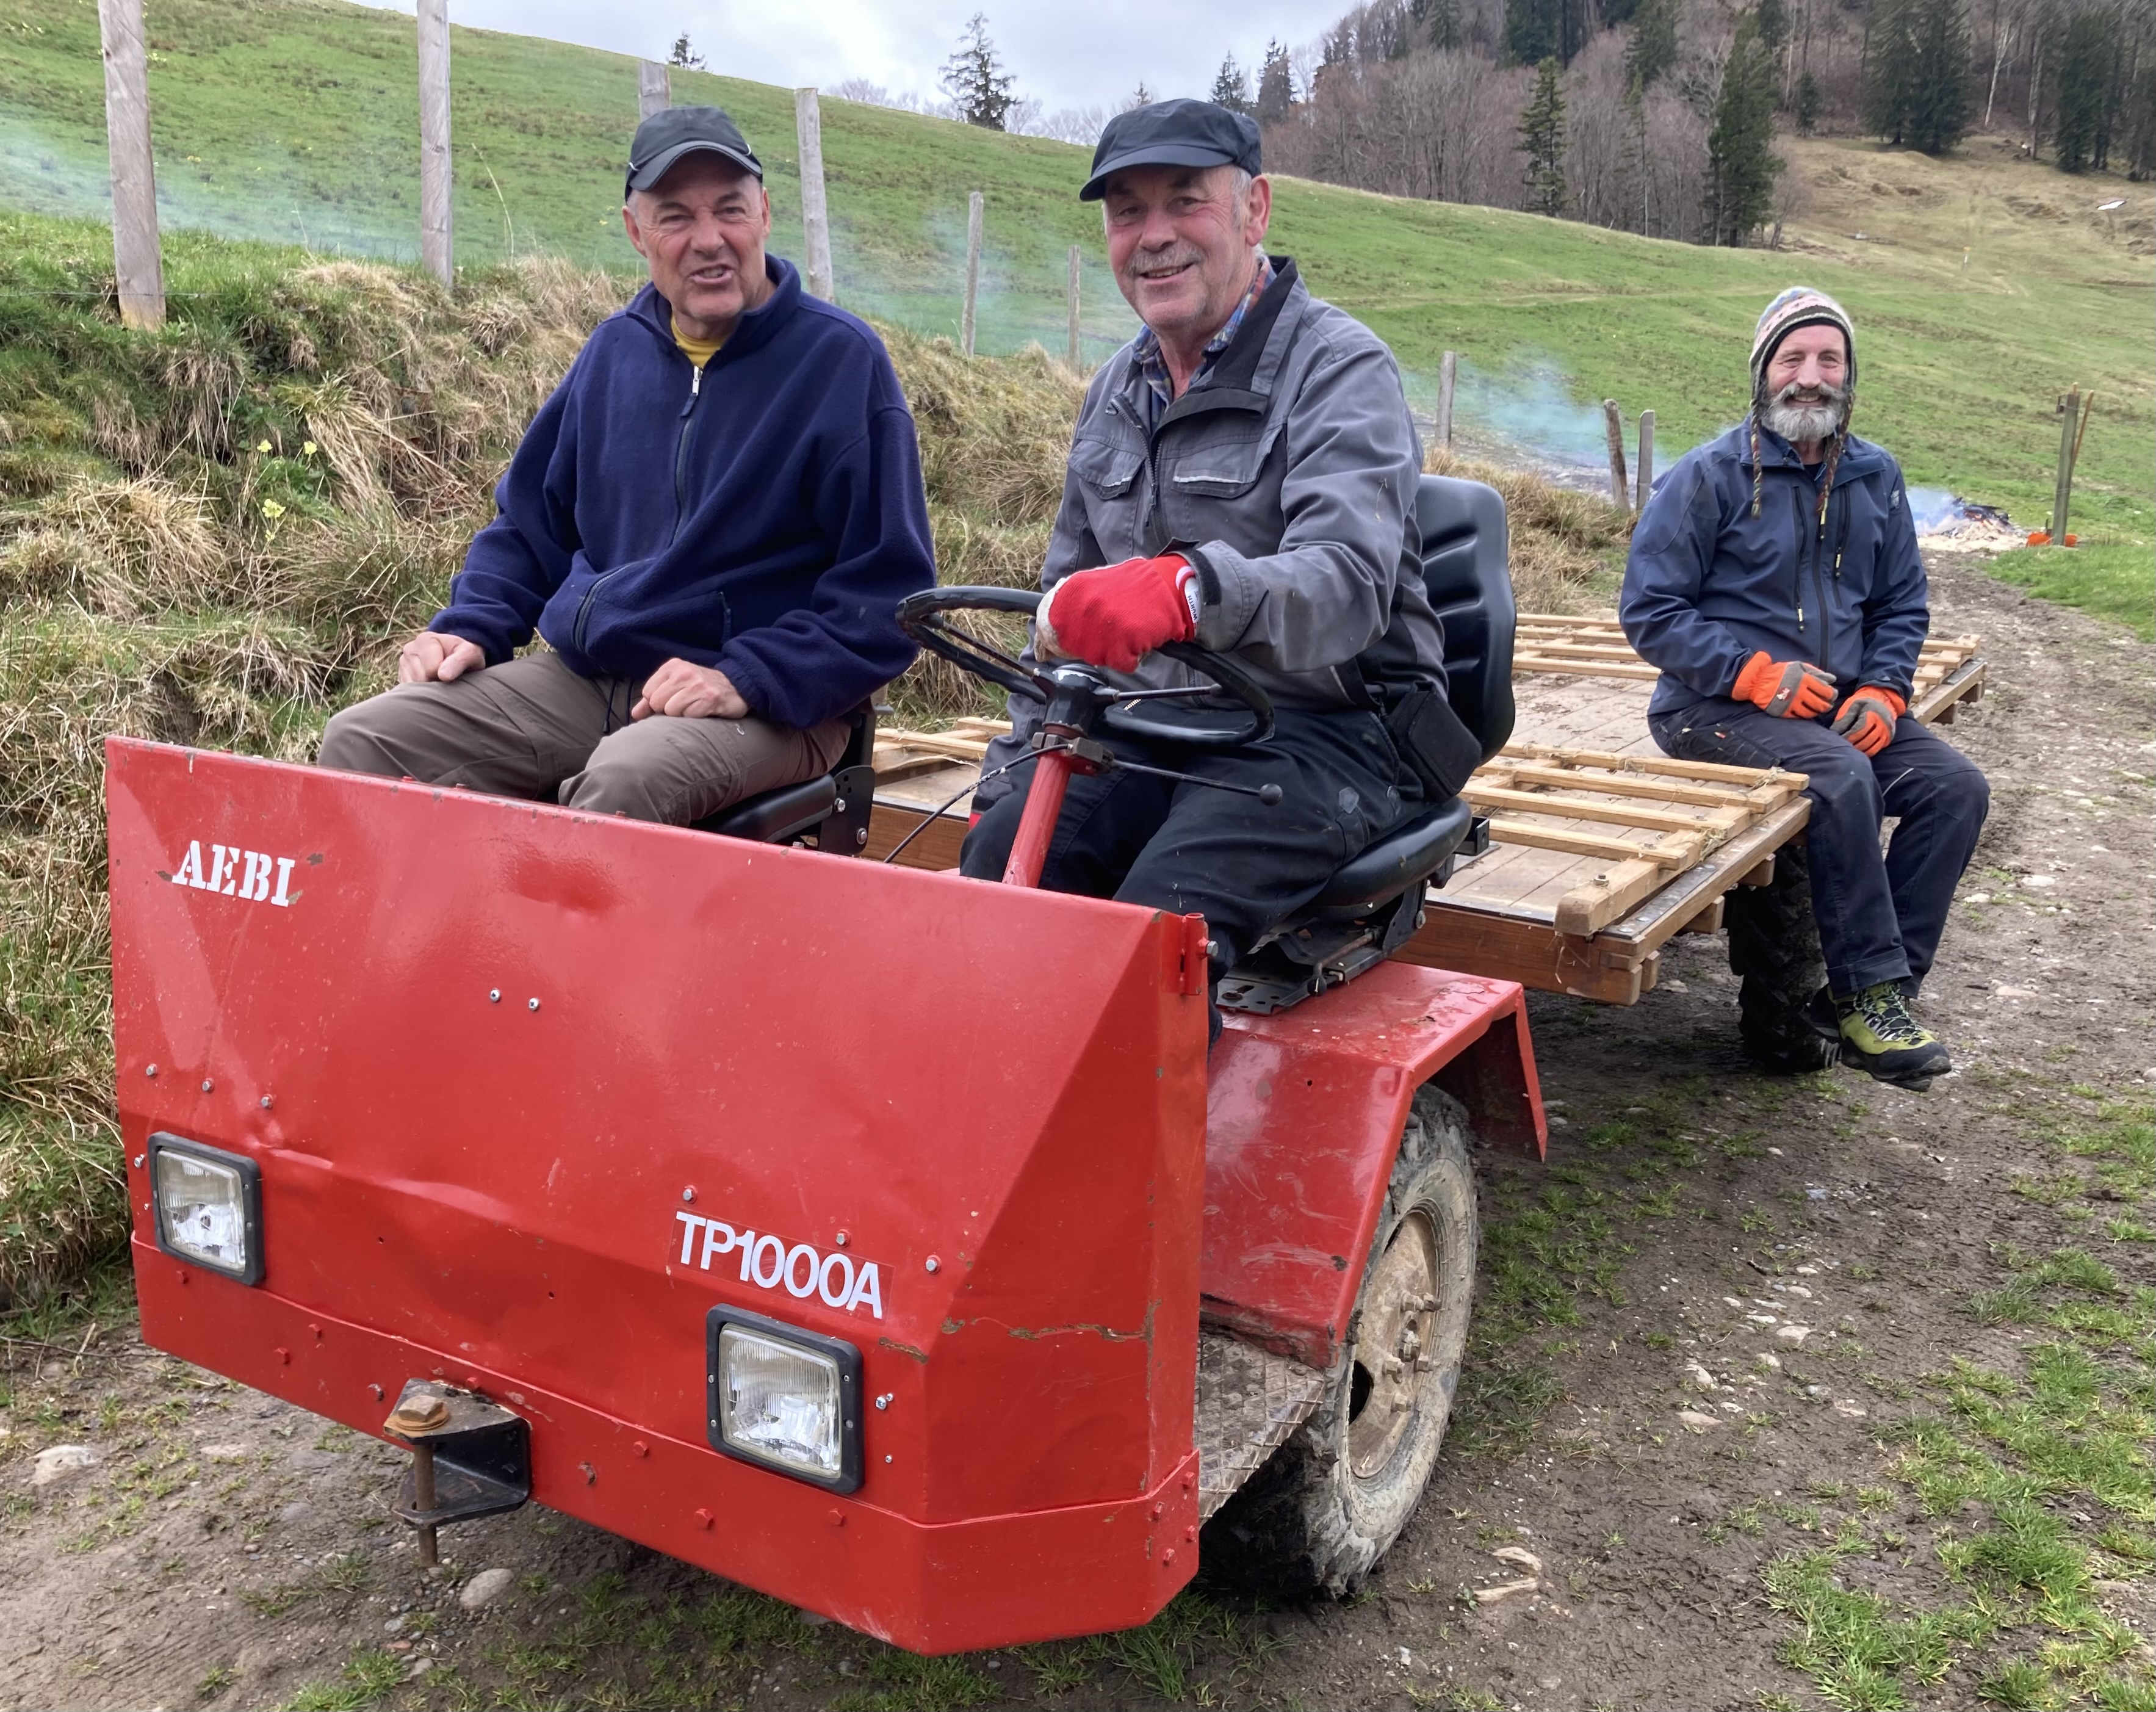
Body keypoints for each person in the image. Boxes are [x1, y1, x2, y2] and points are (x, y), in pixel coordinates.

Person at [965, 99, 1475, 1017]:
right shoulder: (1116, 390)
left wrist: (1191, 591)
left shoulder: (1340, 368)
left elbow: (1347, 582)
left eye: (1184, 201)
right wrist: (1009, 771)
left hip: (1328, 731)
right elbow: (1058, 617)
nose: (1153, 236)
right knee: (998, 874)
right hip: (1152, 724)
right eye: (1128, 212)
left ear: (1254, 210)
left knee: (1156, 945)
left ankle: (1131, 1108)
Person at [319, 107, 934, 825]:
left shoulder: (842, 364)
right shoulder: (614, 351)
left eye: (730, 210)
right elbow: (528, 528)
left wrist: (747, 675)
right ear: (636, 232)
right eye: (675, 218)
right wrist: (471, 626)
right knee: (365, 741)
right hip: (593, 678)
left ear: (764, 214)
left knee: (623, 783)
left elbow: (889, 597)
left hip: (770, 702)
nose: (710, 239)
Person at [1620, 287, 1989, 1089]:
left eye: (1828, 358)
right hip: (1708, 707)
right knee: (1841, 775)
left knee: (1955, 788)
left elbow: (1899, 603)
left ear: (1849, 374)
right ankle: (1868, 994)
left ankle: (1871, 997)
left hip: (1835, 707)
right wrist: (1752, 674)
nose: (1810, 376)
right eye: (1791, 358)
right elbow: (1649, 610)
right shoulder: (1707, 476)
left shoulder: (1875, 476)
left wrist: (1884, 689)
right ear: (1762, 372)